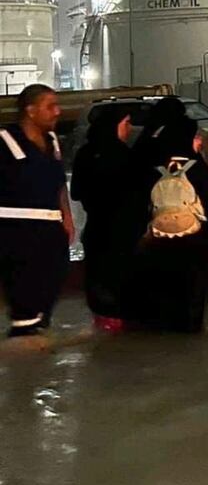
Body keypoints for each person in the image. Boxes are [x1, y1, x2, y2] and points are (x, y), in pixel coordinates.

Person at [128, 115, 208, 333]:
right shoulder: (199, 170)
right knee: (192, 297)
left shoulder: (152, 170)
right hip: (193, 243)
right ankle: (191, 340)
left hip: (158, 244)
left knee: (163, 296)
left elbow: (139, 208)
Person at [0, 85, 73, 340]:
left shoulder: (52, 142)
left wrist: (67, 218)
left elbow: (59, 184)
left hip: (51, 228)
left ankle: (38, 332)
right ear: (30, 111)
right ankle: (24, 338)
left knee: (53, 280)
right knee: (24, 289)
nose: (57, 112)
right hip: (16, 230)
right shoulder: (5, 141)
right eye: (50, 106)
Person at [70, 105, 149, 331]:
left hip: (96, 229)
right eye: (126, 123)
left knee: (99, 279)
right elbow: (139, 193)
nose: (130, 127)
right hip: (124, 232)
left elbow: (76, 192)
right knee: (120, 280)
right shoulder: (125, 155)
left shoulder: (85, 153)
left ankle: (104, 323)